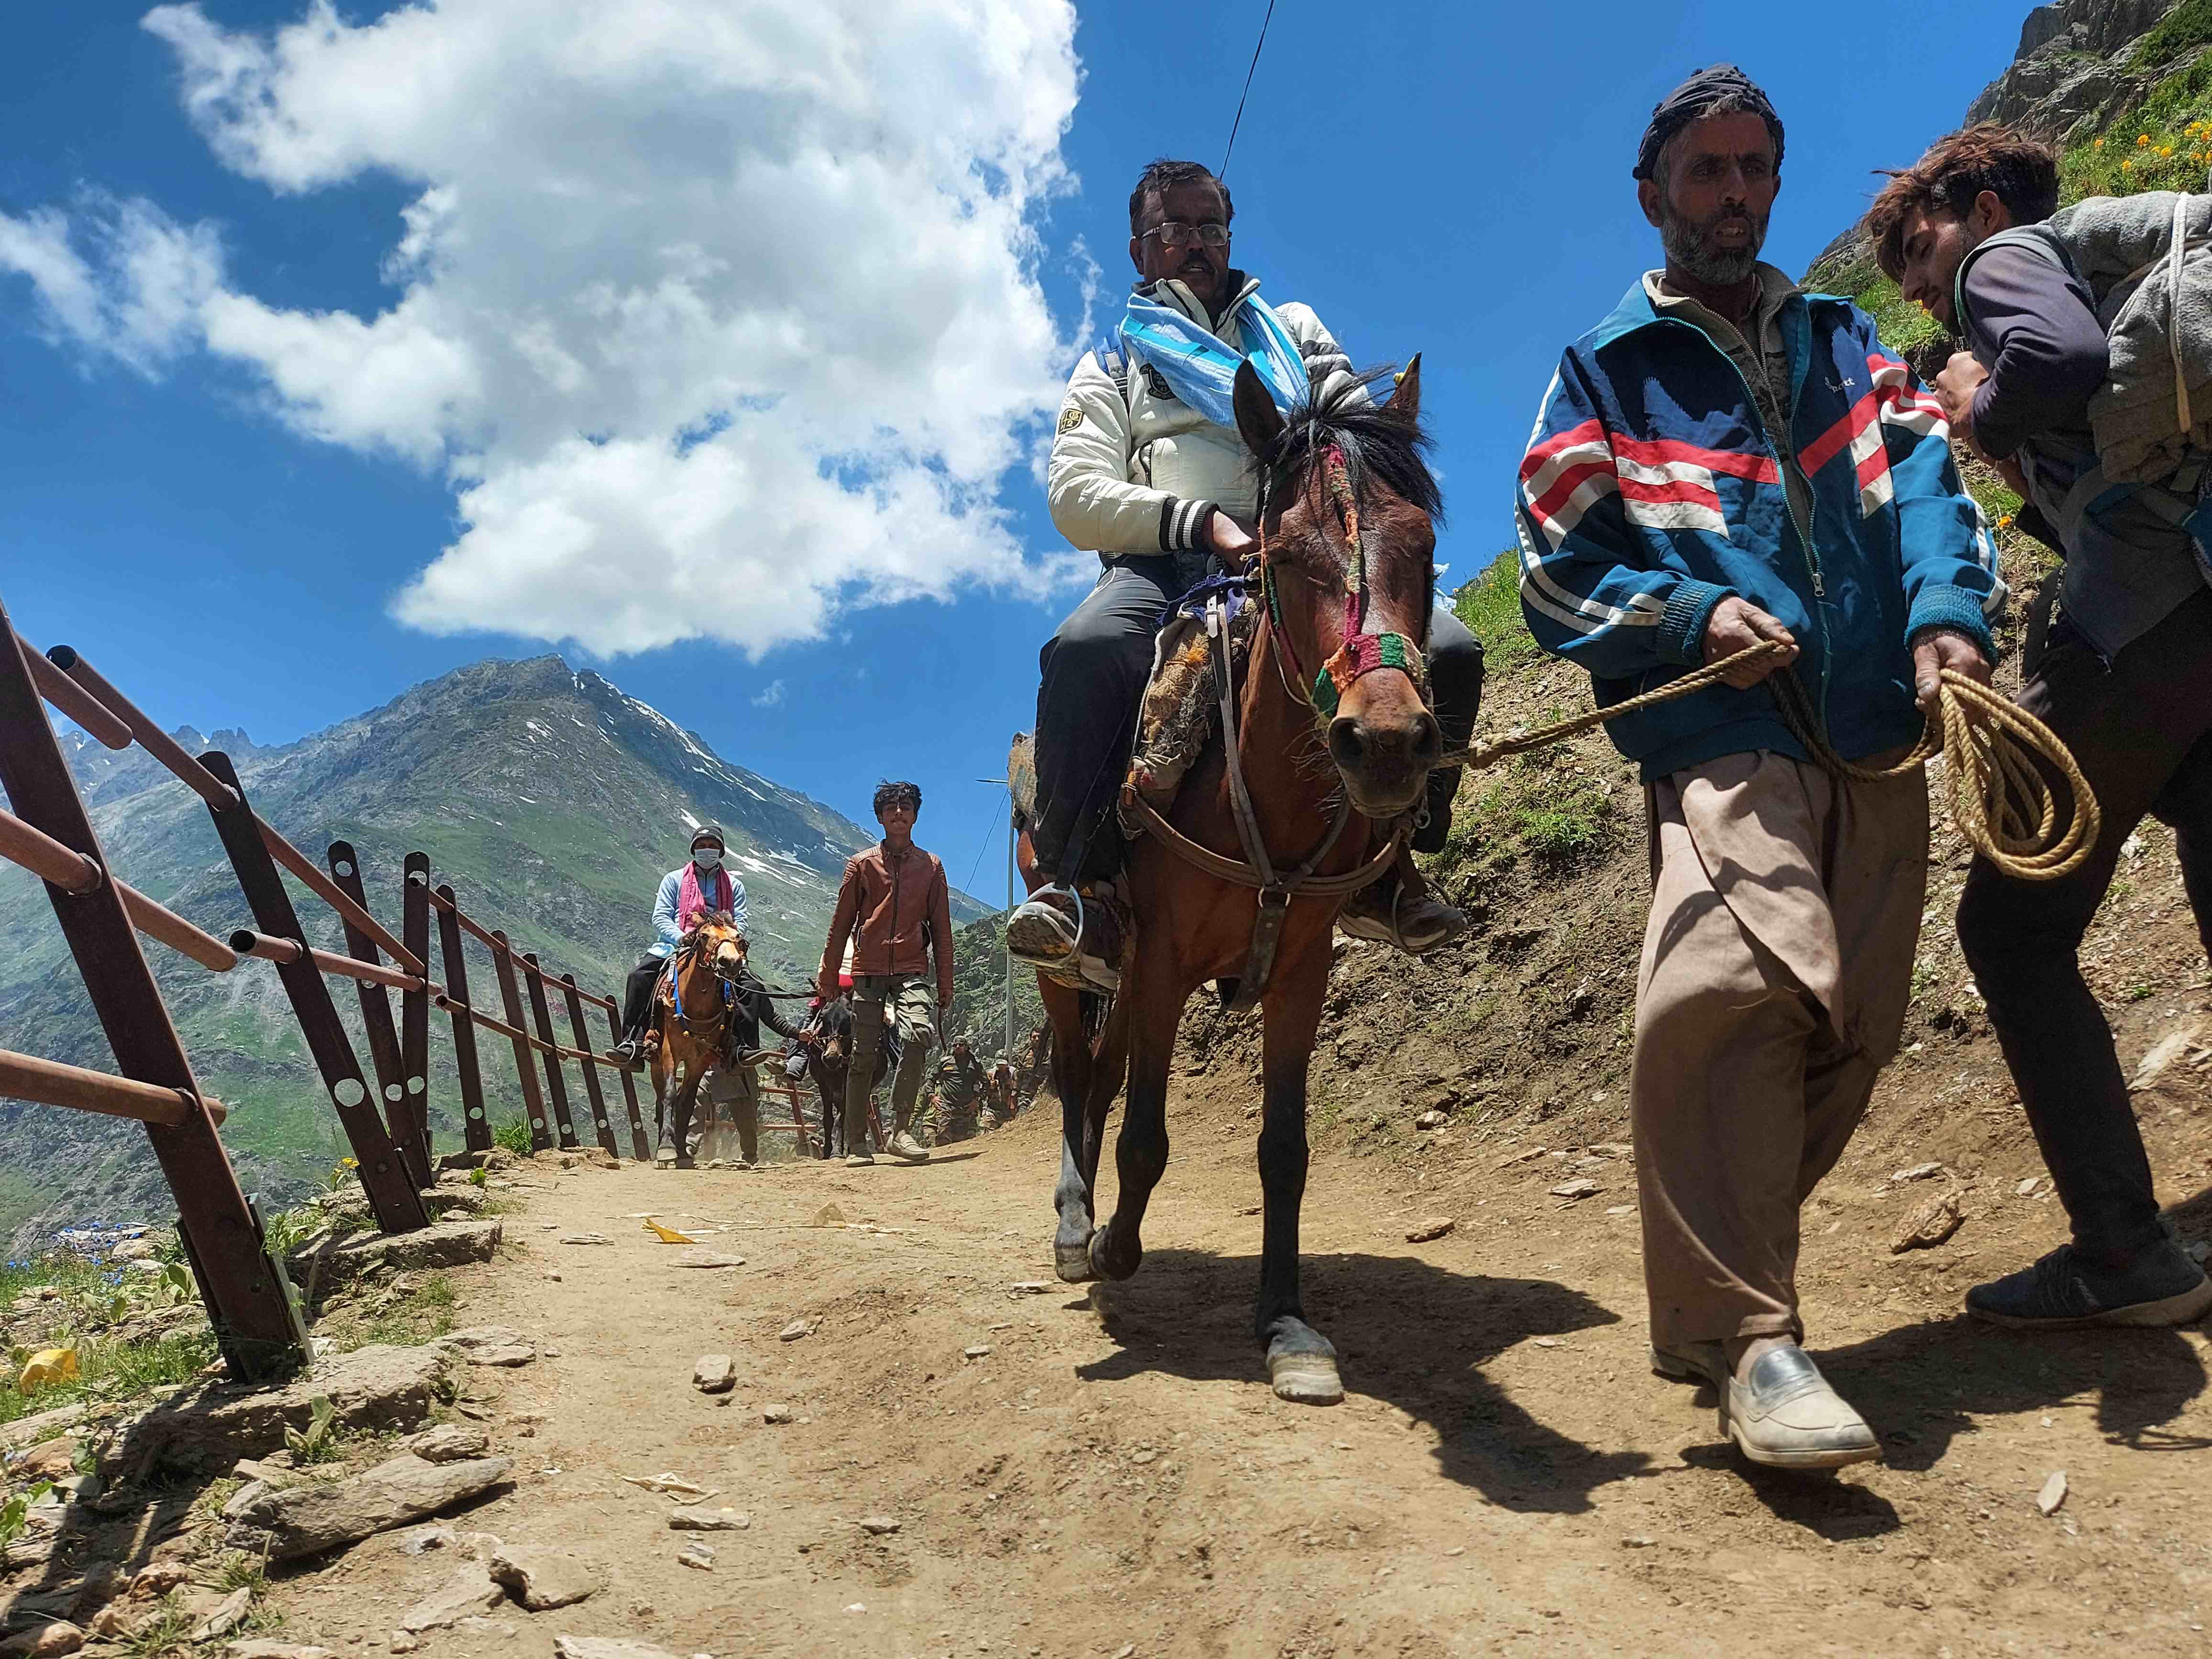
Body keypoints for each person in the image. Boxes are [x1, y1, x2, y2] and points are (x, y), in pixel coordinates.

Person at [1516, 66, 2004, 1469]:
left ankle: (1711, 1285)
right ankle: (1754, 1340)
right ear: (1650, 196)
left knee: (1850, 1025)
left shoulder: (1851, 345)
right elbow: (1553, 570)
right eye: (1703, 173)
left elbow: (1926, 491)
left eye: (1752, 170)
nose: (1732, 196)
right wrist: (1684, 613)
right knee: (1730, 985)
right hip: (1716, 733)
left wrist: (1946, 623)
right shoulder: (1603, 372)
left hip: (1873, 727)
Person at [1869, 123, 2212, 1328]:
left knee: (2009, 931)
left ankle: (2123, 1256)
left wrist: (1978, 404)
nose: (1920, 288)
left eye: (1915, 251)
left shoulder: (2004, 261)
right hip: (2200, 606)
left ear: (1970, 204)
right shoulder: (2112, 261)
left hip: (2132, 627)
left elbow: (2057, 358)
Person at [1006, 155, 1487, 980]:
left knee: (1449, 649)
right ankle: (1076, 885)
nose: (1194, 243)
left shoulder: (1290, 328)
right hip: (1168, 563)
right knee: (1083, 650)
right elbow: (1073, 493)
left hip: (1308, 551)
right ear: (1138, 250)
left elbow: (1354, 426)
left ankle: (1393, 861)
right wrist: (1200, 521)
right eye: (1173, 228)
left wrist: (1340, 514)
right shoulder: (1114, 365)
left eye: (1209, 226)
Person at [817, 780, 953, 1167]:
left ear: (915, 815)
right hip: (868, 970)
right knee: (862, 1056)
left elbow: (942, 931)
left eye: (906, 806)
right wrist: (829, 978)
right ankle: (856, 1143)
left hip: (912, 967)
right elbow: (840, 925)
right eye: (890, 808)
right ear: (879, 817)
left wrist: (946, 982)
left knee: (918, 1035)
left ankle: (901, 1130)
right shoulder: (861, 865)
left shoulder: (931, 867)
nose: (898, 813)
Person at [615, 827, 748, 1068]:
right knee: (639, 977)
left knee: (750, 986)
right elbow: (661, 917)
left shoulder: (735, 886)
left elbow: (741, 921)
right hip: (674, 947)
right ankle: (633, 1042)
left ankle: (741, 1048)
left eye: (712, 845)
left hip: (719, 949)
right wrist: (681, 937)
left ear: (721, 851)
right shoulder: (674, 879)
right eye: (702, 845)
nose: (707, 850)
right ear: (693, 849)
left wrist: (727, 941)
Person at [689, 961, 806, 1168]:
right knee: (697, 1098)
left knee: (742, 1112)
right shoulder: (708, 986)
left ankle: (748, 1156)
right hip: (714, 1056)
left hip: (739, 1060)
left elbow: (771, 1018)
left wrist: (797, 1034)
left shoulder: (752, 987)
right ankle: (689, 1148)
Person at [930, 1037, 990, 1144]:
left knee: (963, 1141)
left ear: (966, 1047)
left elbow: (986, 1084)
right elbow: (931, 1079)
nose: (958, 1047)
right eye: (955, 1045)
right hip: (946, 1106)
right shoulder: (945, 1062)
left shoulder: (975, 1064)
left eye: (961, 1045)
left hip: (966, 1108)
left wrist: (977, 1100)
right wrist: (932, 1097)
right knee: (943, 1137)